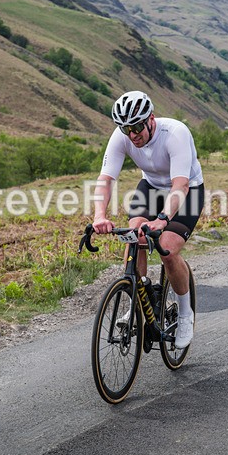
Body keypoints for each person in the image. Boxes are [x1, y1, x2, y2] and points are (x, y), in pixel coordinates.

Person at [93, 91, 205, 349]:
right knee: (135, 237)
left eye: (136, 127)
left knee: (167, 248)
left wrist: (164, 218)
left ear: (150, 119)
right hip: (151, 187)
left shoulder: (175, 133)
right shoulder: (122, 136)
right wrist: (100, 215)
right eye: (126, 129)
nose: (132, 135)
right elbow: (106, 179)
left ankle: (186, 314)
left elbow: (180, 184)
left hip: (187, 191)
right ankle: (136, 302)